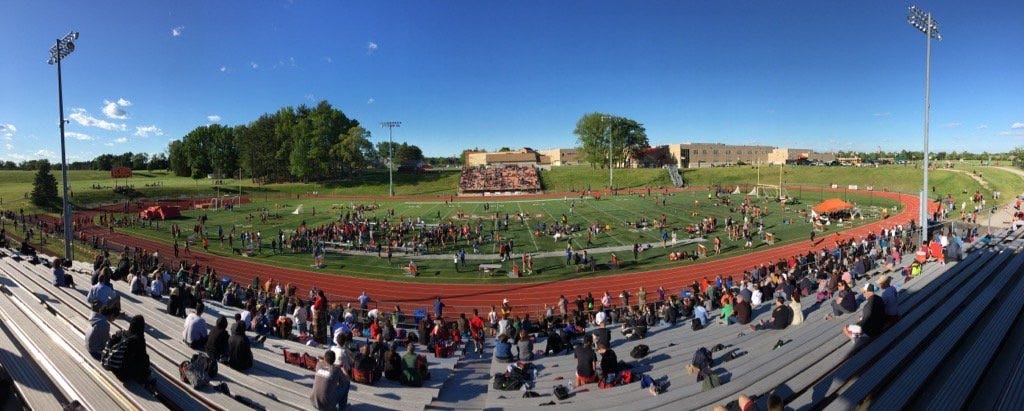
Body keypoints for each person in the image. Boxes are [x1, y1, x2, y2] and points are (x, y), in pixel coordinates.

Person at [114, 315, 153, 387]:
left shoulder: (124, 333)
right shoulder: (139, 339)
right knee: (145, 359)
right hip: (125, 375)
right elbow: (143, 358)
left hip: (116, 369)